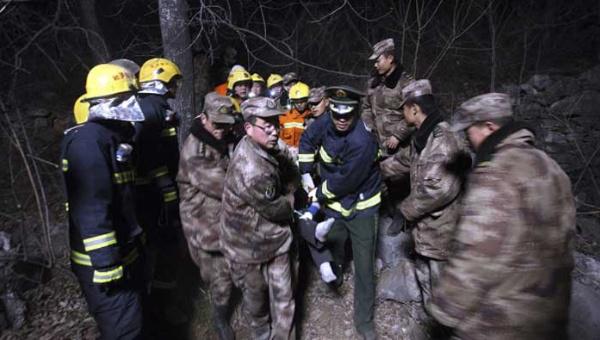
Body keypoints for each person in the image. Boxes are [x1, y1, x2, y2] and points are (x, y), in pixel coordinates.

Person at [429, 93, 576, 339]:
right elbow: (565, 244)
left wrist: (444, 308)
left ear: (489, 127)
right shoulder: (551, 167)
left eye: (470, 131)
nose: (468, 138)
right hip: (548, 318)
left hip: (498, 323)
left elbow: (477, 255)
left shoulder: (496, 175)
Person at [61, 63, 146, 339]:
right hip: (103, 263)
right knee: (125, 330)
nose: (135, 104)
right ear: (112, 102)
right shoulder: (88, 141)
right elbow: (91, 206)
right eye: (127, 98)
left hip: (123, 252)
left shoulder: (109, 137)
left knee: (133, 320)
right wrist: (107, 263)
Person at [380, 80, 470, 315]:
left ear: (414, 109)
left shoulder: (444, 140)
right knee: (427, 284)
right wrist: (375, 169)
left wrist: (404, 210)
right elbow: (405, 161)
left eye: (403, 108)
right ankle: (432, 324)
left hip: (442, 231)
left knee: (445, 295)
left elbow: (438, 190)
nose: (402, 113)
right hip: (425, 231)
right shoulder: (424, 136)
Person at [299, 86, 381, 340]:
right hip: (335, 203)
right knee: (334, 245)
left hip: (361, 207)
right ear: (331, 110)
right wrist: (305, 169)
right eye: (337, 114)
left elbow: (347, 180)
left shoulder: (363, 141)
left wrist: (318, 193)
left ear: (355, 113)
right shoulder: (324, 122)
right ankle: (334, 279)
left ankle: (364, 322)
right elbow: (307, 140)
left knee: (365, 266)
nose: (341, 120)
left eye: (347, 115)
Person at [220, 96, 299, 340]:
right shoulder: (250, 168)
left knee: (284, 300)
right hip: (246, 247)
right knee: (256, 307)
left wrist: (292, 183)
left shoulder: (266, 144)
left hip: (275, 239)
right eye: (267, 126)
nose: (274, 131)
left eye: (276, 123)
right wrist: (293, 200)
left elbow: (288, 168)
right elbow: (276, 209)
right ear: (248, 128)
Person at [177, 92, 237, 340]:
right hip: (202, 220)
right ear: (203, 118)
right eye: (217, 124)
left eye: (226, 124)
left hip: (223, 214)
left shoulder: (222, 136)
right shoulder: (196, 152)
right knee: (220, 274)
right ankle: (220, 317)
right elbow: (227, 186)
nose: (221, 129)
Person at [135, 57, 186, 331]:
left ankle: (156, 305)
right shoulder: (151, 109)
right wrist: (167, 188)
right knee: (166, 246)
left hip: (150, 191)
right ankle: (162, 308)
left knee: (159, 247)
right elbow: (150, 156)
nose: (176, 87)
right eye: (173, 81)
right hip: (153, 194)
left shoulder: (149, 107)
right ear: (161, 81)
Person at [279, 81, 311, 155]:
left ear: (307, 100)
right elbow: (278, 139)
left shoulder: (311, 118)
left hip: (305, 155)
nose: (299, 104)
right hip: (286, 156)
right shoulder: (284, 117)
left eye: (302, 101)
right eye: (297, 101)